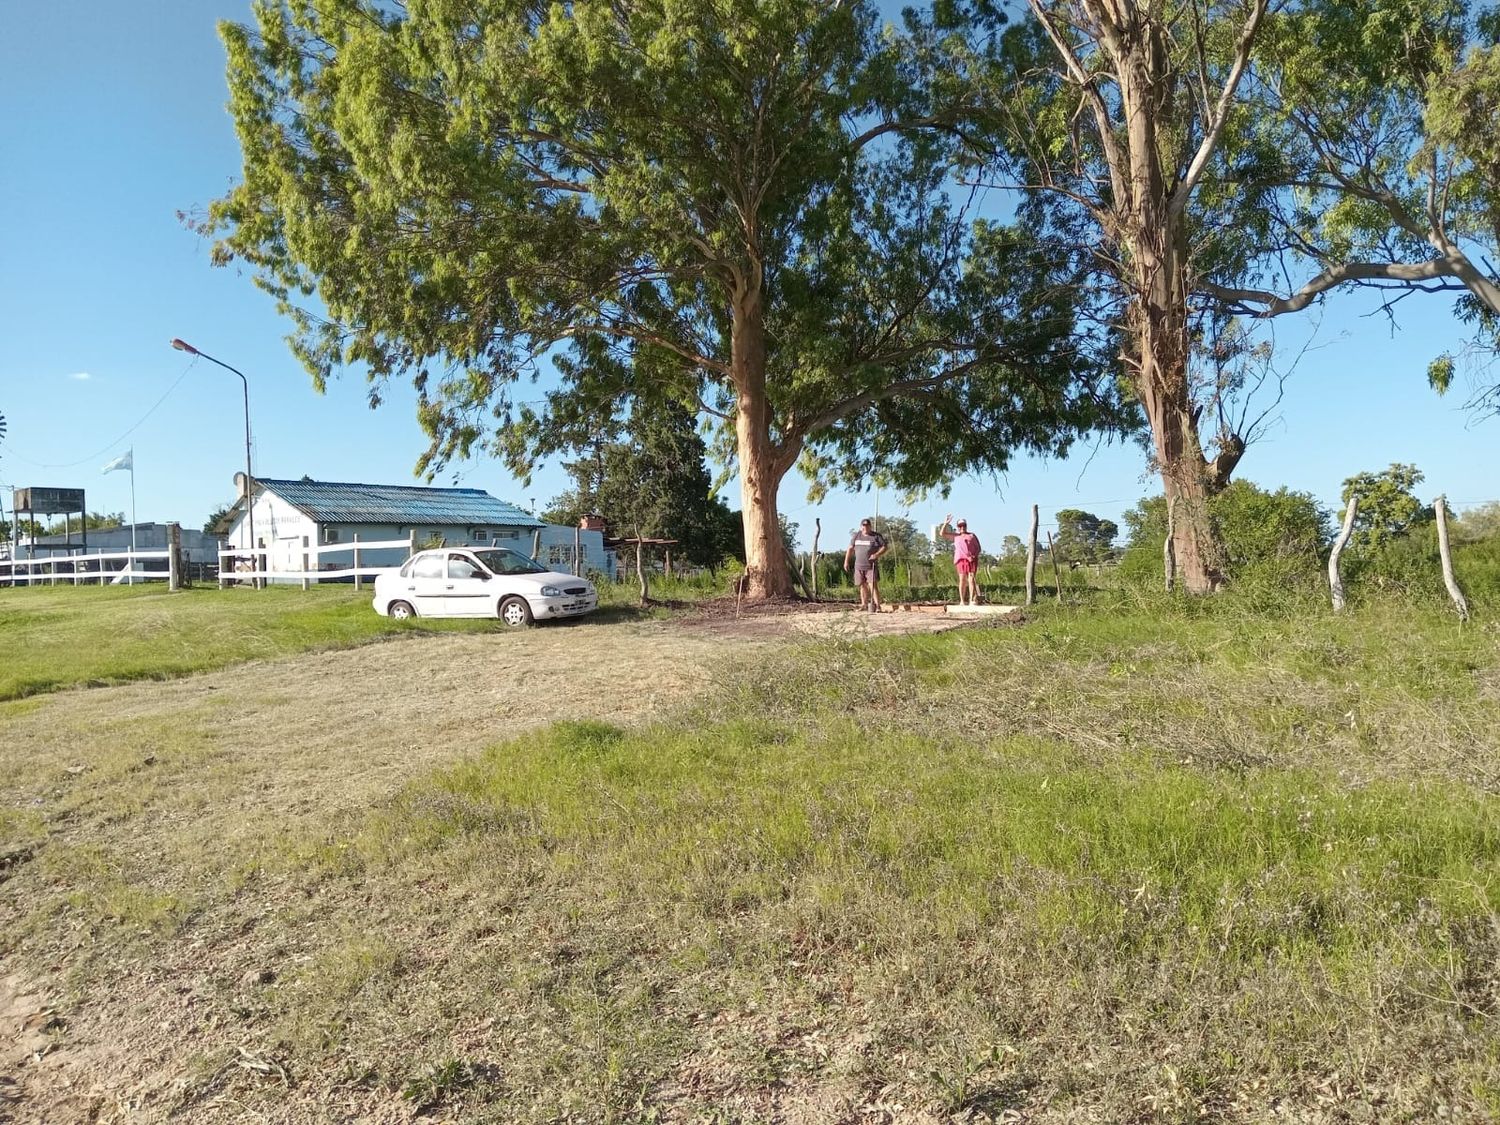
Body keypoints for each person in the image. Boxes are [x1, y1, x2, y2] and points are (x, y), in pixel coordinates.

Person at [843, 517, 888, 612]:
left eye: (867, 526)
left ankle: (878, 606)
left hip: (871, 566)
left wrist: (877, 554)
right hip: (859, 566)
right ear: (861, 527)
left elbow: (884, 547)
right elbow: (850, 549)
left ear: (870, 526)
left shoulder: (876, 536)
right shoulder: (856, 536)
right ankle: (864, 605)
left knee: (873, 586)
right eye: (864, 526)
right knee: (862, 585)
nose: (865, 528)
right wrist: (846, 561)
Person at [939, 513, 982, 606]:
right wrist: (945, 523)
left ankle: (972, 600)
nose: (962, 527)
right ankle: (962, 600)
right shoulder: (956, 536)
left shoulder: (972, 536)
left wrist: (973, 556)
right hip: (961, 560)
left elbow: (978, 548)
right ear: (958, 527)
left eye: (964, 525)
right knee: (962, 579)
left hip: (971, 559)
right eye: (960, 526)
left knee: (971, 579)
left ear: (966, 526)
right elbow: (942, 534)